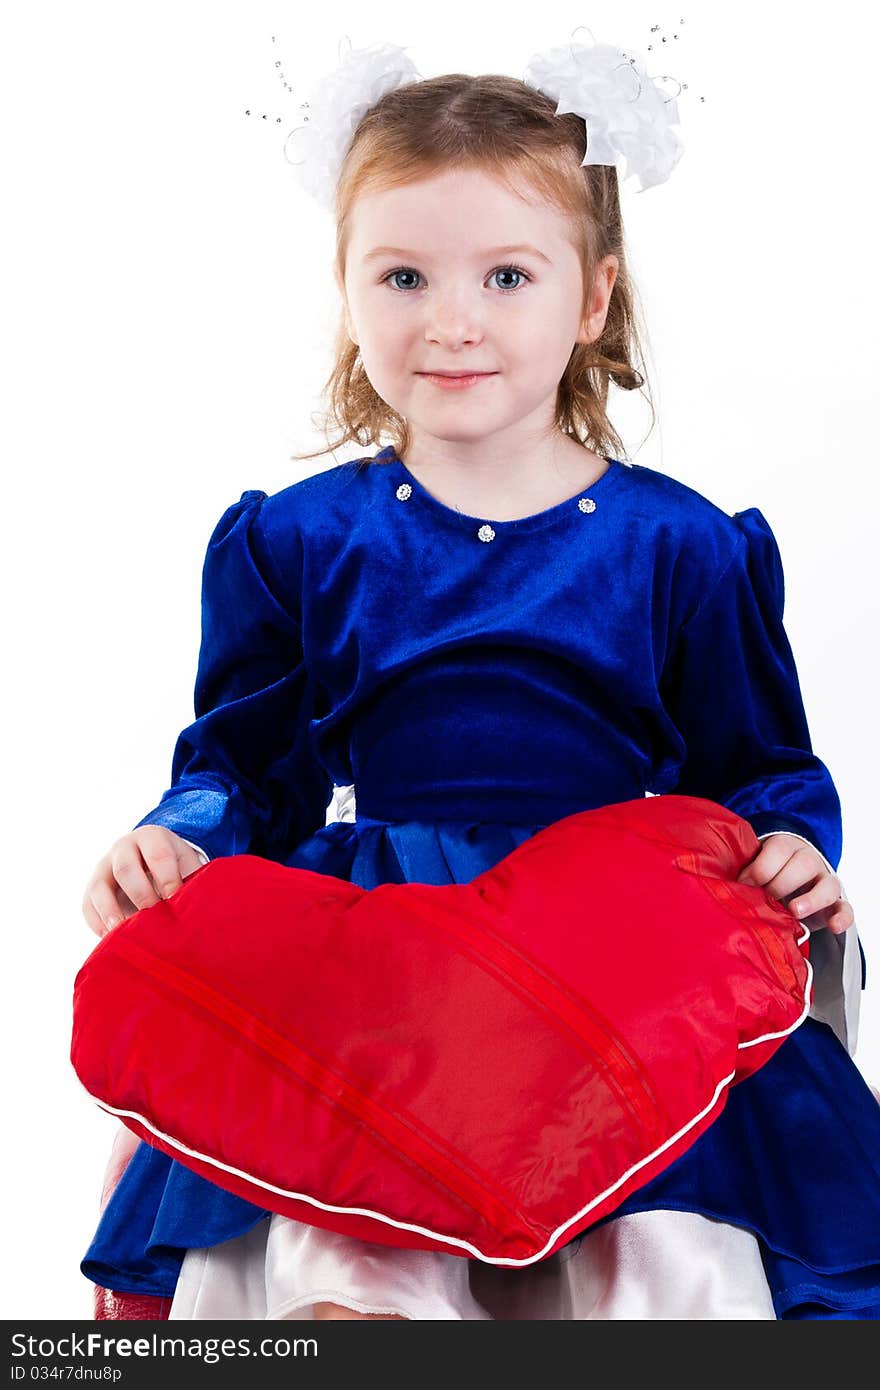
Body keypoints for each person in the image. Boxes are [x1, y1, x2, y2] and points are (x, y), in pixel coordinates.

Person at [78, 35, 880, 1320]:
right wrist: (180, 835)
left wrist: (790, 839)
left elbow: (757, 769)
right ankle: (361, 1303)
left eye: (507, 275)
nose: (450, 320)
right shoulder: (299, 542)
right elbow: (248, 768)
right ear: (346, 290)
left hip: (616, 932)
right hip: (388, 929)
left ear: (592, 297)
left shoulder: (679, 545)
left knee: (672, 1235)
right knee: (352, 1198)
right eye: (402, 275)